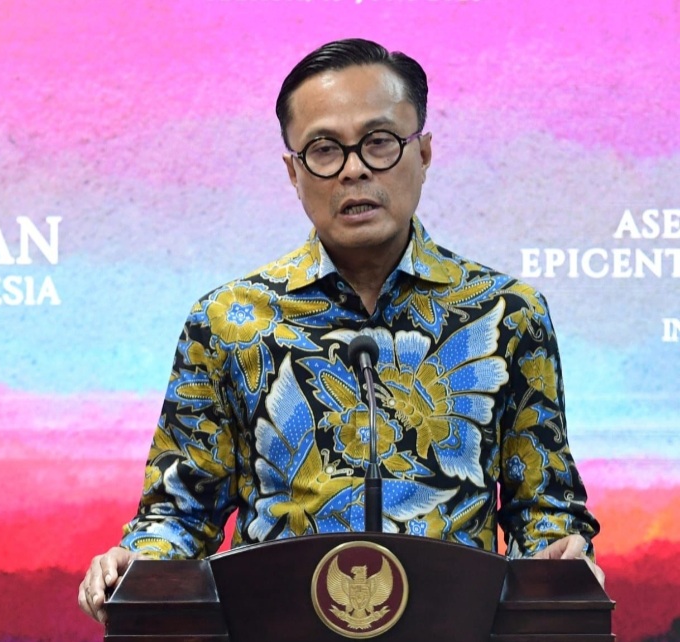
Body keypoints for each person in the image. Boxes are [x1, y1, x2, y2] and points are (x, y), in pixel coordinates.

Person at [79, 38, 603, 623]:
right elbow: (180, 513)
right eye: (325, 149)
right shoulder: (228, 321)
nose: (354, 169)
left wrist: (561, 561)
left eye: (379, 142)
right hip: (273, 629)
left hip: (454, 627)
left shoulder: (506, 313)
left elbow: (543, 508)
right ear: (293, 171)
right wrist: (137, 568)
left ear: (423, 152)